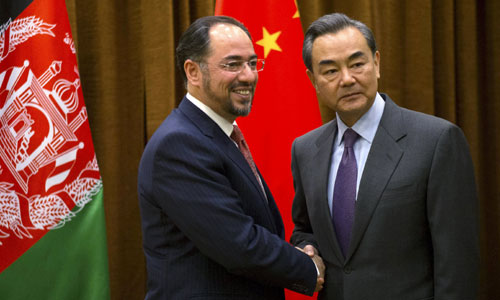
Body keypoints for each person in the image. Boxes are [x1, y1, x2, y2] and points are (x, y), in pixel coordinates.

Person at [290, 13, 479, 300]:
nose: (347, 79)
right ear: (313, 79)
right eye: (330, 71)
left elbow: (457, 262)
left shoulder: (436, 140)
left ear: (376, 63)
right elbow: (305, 230)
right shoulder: (305, 149)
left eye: (357, 64)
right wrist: (307, 250)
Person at [138, 16, 324, 300]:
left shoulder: (217, 135)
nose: (249, 75)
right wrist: (308, 267)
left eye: (252, 63)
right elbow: (239, 245)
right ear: (193, 72)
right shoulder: (179, 145)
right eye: (233, 64)